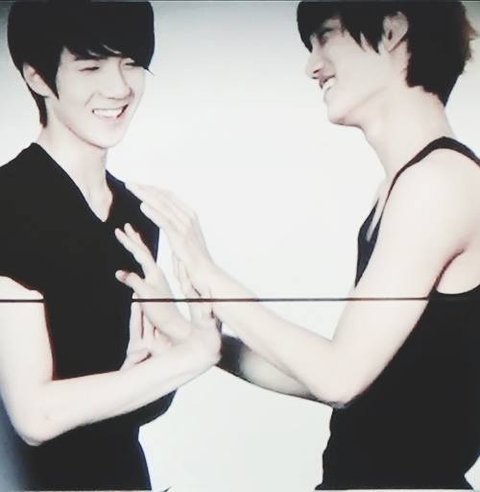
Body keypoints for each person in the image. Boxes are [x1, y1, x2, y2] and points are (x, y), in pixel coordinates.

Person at [115, 0, 480, 489]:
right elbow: (338, 378)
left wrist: (207, 274)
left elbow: (339, 378)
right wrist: (194, 338)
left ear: (392, 30)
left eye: (325, 36)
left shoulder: (439, 184)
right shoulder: (403, 187)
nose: (312, 67)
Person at [0, 1, 220, 490]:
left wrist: (154, 369)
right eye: (91, 66)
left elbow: (138, 405)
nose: (120, 87)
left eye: (131, 62)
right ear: (37, 77)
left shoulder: (138, 215)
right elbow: (35, 415)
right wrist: (190, 354)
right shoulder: (8, 203)